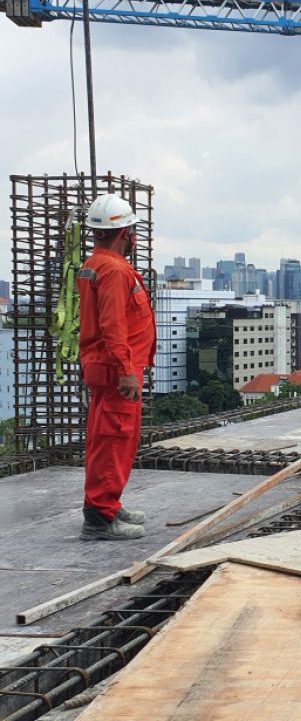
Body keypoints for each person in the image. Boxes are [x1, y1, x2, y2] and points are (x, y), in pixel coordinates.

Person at [77, 194, 156, 541]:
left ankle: (106, 505)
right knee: (114, 439)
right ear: (126, 232)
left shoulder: (97, 264)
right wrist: (126, 370)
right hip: (115, 370)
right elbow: (113, 325)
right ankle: (99, 519)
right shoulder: (114, 270)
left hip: (107, 367)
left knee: (104, 440)